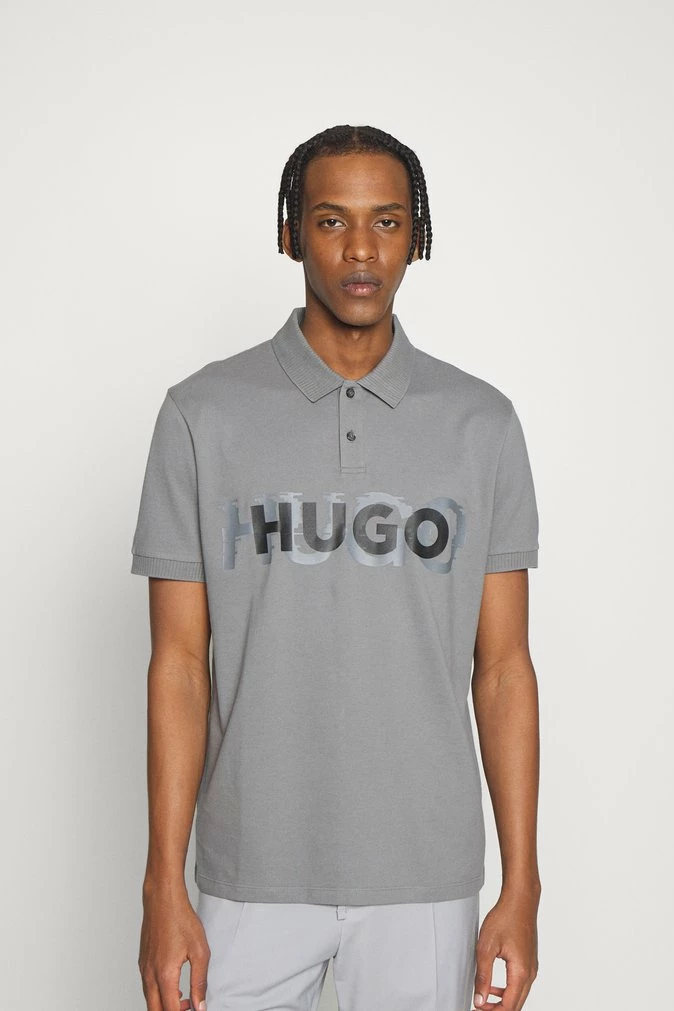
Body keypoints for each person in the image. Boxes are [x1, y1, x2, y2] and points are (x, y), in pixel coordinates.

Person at [131, 124, 542, 1011]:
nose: (361, 249)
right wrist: (163, 883)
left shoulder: (482, 424)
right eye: (331, 221)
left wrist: (523, 884)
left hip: (425, 877)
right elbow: (179, 665)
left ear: (415, 237)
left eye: (387, 221)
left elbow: (504, 668)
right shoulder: (202, 415)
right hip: (248, 874)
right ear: (290, 235)